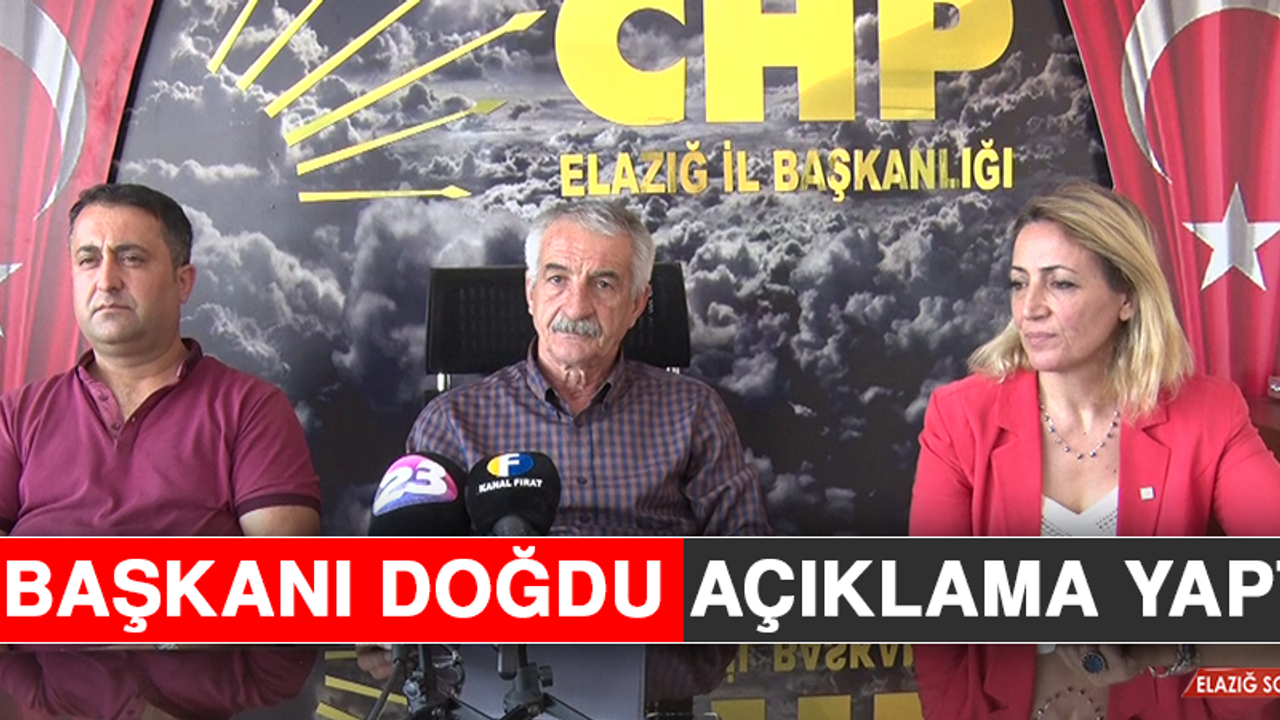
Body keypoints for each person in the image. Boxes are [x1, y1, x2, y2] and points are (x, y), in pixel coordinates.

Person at [909, 179, 1280, 718]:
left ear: (1126, 297)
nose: (1029, 308)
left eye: (1060, 284)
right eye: (1019, 283)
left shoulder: (1210, 415)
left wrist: (1176, 648)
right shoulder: (960, 418)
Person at [405, 199, 771, 536]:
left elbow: (748, 552)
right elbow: (410, 570)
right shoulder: (450, 421)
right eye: (557, 279)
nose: (576, 307)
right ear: (531, 292)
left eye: (603, 284)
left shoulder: (694, 411)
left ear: (637, 304)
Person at [0, 183, 321, 536]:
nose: (106, 281)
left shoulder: (251, 410)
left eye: (131, 258)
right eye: (88, 260)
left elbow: (288, 567)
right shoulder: (16, 417)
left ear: (183, 282)